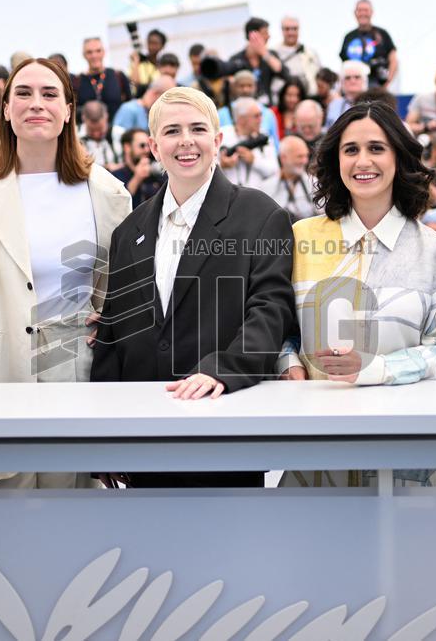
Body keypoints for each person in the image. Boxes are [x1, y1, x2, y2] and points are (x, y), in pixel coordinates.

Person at [0, 58, 132, 489]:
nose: (36, 103)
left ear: (69, 110)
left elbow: (121, 293)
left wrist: (109, 323)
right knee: (3, 510)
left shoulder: (109, 193)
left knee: (74, 511)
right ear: (5, 109)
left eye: (49, 94)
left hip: (78, 372)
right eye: (23, 93)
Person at [91, 86, 295, 488]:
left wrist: (224, 369)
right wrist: (104, 439)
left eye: (198, 129)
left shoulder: (260, 214)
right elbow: (114, 331)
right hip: (144, 436)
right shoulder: (129, 230)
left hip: (225, 424)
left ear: (217, 141)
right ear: (154, 147)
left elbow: (271, 309)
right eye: (172, 131)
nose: (186, 140)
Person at [278, 101, 436, 489]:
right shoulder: (300, 239)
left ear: (399, 157)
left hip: (406, 454)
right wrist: (287, 362)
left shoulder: (435, 251)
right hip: (314, 450)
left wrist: (375, 370)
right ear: (336, 161)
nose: (363, 161)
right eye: (351, 150)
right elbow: (281, 327)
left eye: (376, 148)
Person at [225, 17, 289, 107]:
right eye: (265, 33)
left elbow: (285, 74)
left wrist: (264, 54)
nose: (268, 36)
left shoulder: (270, 55)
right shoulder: (236, 59)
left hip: (267, 107)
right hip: (244, 107)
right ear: (253, 35)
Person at [219, 97, 278, 190]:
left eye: (261, 115)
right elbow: (207, 167)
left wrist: (254, 161)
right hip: (227, 193)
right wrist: (222, 165)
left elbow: (274, 170)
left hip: (256, 194)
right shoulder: (222, 135)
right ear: (241, 119)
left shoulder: (264, 137)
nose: (261, 119)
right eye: (256, 116)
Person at [338, 0, 397, 88]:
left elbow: (393, 59)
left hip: (377, 85)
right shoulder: (349, 37)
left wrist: (387, 83)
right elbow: (344, 64)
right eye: (360, 10)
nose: (363, 13)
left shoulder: (382, 34)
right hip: (354, 86)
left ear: (371, 12)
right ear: (355, 13)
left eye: (366, 10)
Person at [259, 135, 319, 222]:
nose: (305, 161)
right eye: (299, 156)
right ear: (283, 158)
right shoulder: (266, 188)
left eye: (306, 156)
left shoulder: (314, 183)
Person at [75, 37, 132, 124]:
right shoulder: (77, 81)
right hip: (89, 130)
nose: (94, 56)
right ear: (84, 55)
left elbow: (129, 106)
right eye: (89, 52)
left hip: (118, 128)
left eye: (98, 51)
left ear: (104, 52)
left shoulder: (118, 76)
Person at [112, 128, 164, 208]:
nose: (147, 150)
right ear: (127, 147)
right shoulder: (116, 176)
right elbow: (118, 205)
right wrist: (137, 178)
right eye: (142, 145)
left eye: (148, 145)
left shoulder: (155, 171)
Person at [275, 16, 321, 96]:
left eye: (294, 29)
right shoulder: (274, 52)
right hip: (281, 97)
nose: (291, 33)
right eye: (287, 29)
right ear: (282, 30)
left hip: (307, 96)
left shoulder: (310, 53)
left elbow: (318, 76)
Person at [79, 101, 122, 171]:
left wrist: (119, 167)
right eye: (92, 130)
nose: (96, 134)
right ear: (83, 119)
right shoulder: (75, 136)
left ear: (106, 117)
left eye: (100, 129)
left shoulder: (119, 134)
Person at [325, 61, 368, 128]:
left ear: (364, 81)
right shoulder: (334, 105)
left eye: (357, 77)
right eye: (347, 78)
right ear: (341, 82)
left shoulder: (373, 102)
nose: (352, 81)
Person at [129, 28, 167, 96]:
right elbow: (134, 82)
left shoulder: (164, 65)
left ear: (162, 46)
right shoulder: (139, 62)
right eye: (149, 42)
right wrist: (136, 61)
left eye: (155, 43)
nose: (151, 46)